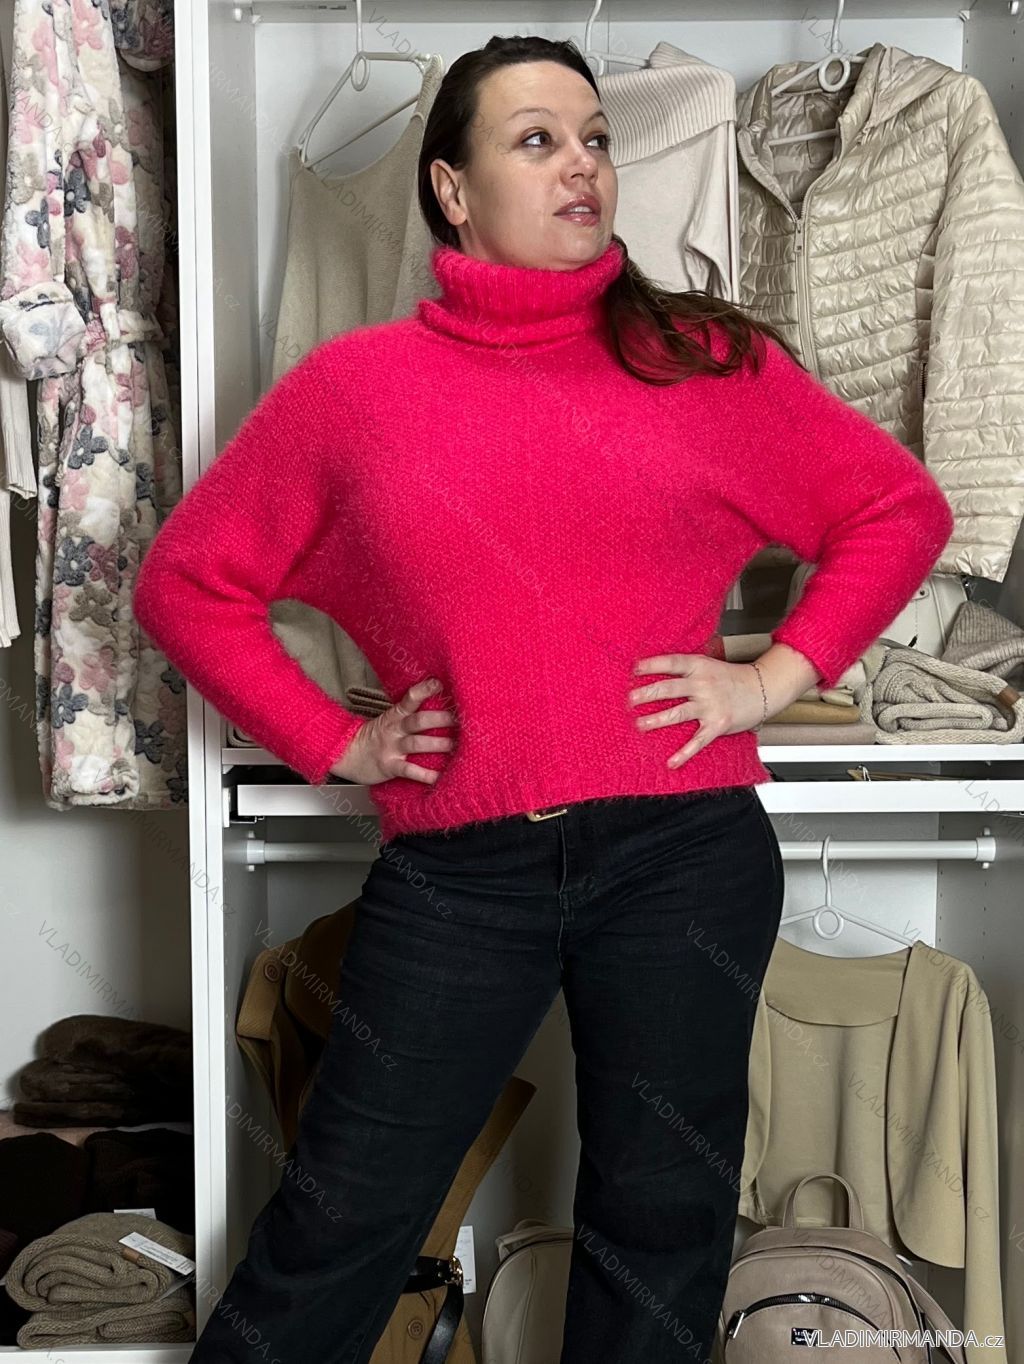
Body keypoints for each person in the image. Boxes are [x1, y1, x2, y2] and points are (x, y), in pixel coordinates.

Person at [133, 32, 955, 1364]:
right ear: (451, 189)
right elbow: (187, 583)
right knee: (341, 1219)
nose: (582, 165)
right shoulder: (354, 393)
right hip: (459, 874)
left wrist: (771, 677)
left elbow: (896, 507)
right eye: (537, 140)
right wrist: (339, 742)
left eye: (596, 139)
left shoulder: (699, 361)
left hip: (682, 856)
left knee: (659, 1223)